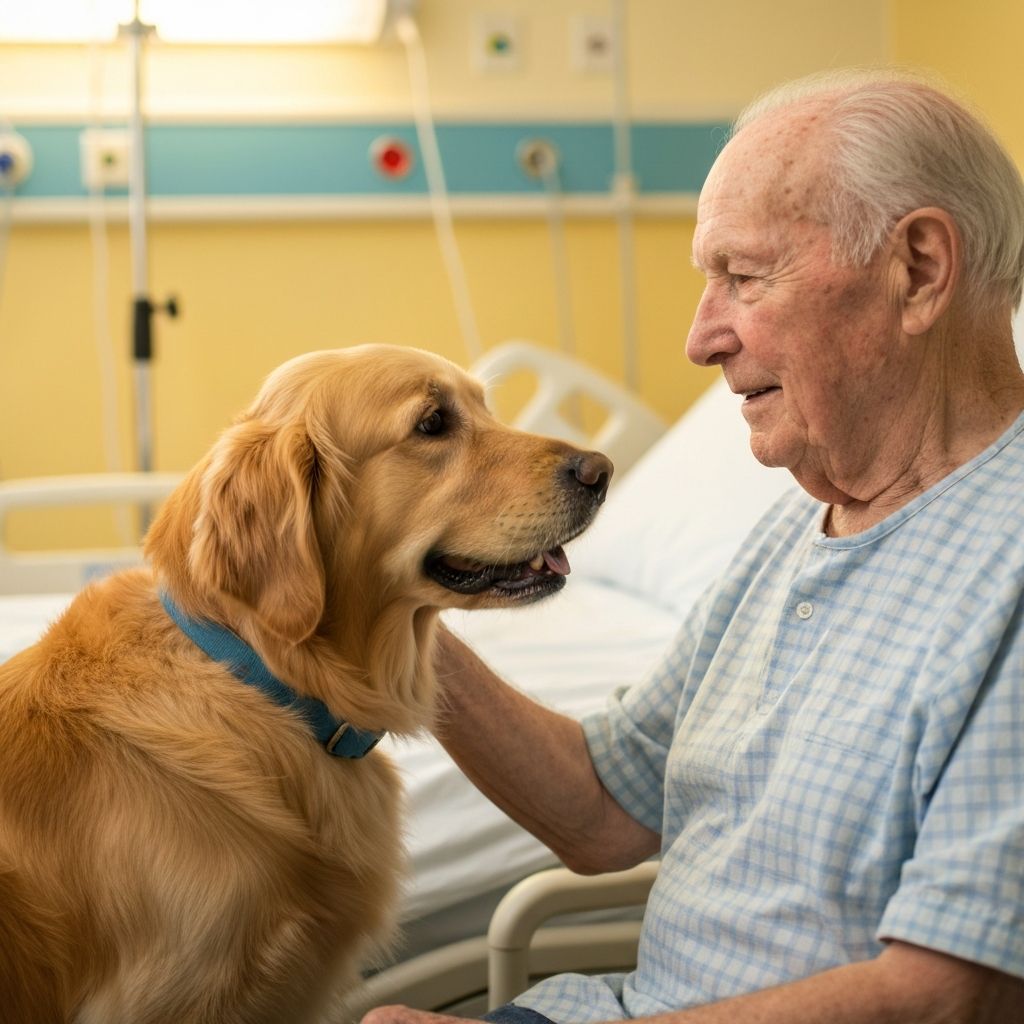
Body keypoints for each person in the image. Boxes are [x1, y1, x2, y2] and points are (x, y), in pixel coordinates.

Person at [364, 68, 1024, 1023]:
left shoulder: (1003, 570)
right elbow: (602, 813)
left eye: (745, 277)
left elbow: (942, 997)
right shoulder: (803, 522)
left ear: (918, 268)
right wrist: (390, 606)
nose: (700, 337)